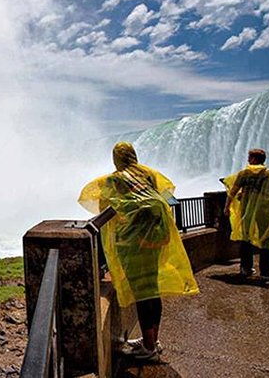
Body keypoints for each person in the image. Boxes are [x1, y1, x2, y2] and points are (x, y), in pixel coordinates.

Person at [78, 142, 199, 361]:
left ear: (116, 158)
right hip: (156, 238)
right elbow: (165, 194)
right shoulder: (148, 174)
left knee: (142, 293)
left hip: (134, 242)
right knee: (152, 289)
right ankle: (153, 339)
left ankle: (149, 348)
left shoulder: (116, 179)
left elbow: (104, 202)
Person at [223, 148, 269, 280]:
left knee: (246, 238)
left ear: (254, 159)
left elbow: (232, 192)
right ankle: (265, 272)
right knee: (266, 240)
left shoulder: (244, 174)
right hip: (264, 211)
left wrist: (227, 207)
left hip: (247, 210)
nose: (248, 159)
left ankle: (245, 269)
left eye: (249, 157)